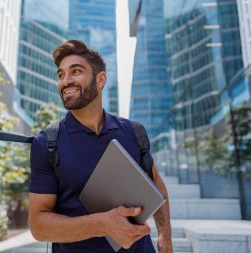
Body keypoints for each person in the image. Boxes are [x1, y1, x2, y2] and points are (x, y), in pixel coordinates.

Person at [29, 39, 173, 253]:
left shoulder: (135, 132)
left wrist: (164, 236)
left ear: (101, 79)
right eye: (61, 75)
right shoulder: (47, 142)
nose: (65, 81)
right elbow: (39, 226)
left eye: (75, 71)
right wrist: (103, 224)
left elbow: (156, 185)